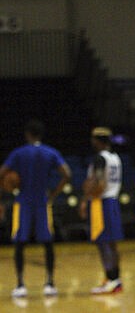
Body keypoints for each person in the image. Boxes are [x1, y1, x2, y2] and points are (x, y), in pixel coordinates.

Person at [0, 119, 72, 298]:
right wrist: (54, 194)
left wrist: (8, 187)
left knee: (19, 243)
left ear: (27, 134)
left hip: (23, 202)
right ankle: (49, 283)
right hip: (43, 201)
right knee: (47, 243)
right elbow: (67, 174)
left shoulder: (19, 153)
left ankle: (20, 285)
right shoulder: (50, 152)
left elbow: (2, 172)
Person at [80, 127, 124, 294]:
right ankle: (115, 279)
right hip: (113, 200)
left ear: (98, 141)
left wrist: (86, 198)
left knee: (103, 243)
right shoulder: (115, 157)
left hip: (102, 202)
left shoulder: (100, 158)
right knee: (112, 244)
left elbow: (99, 183)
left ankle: (111, 279)